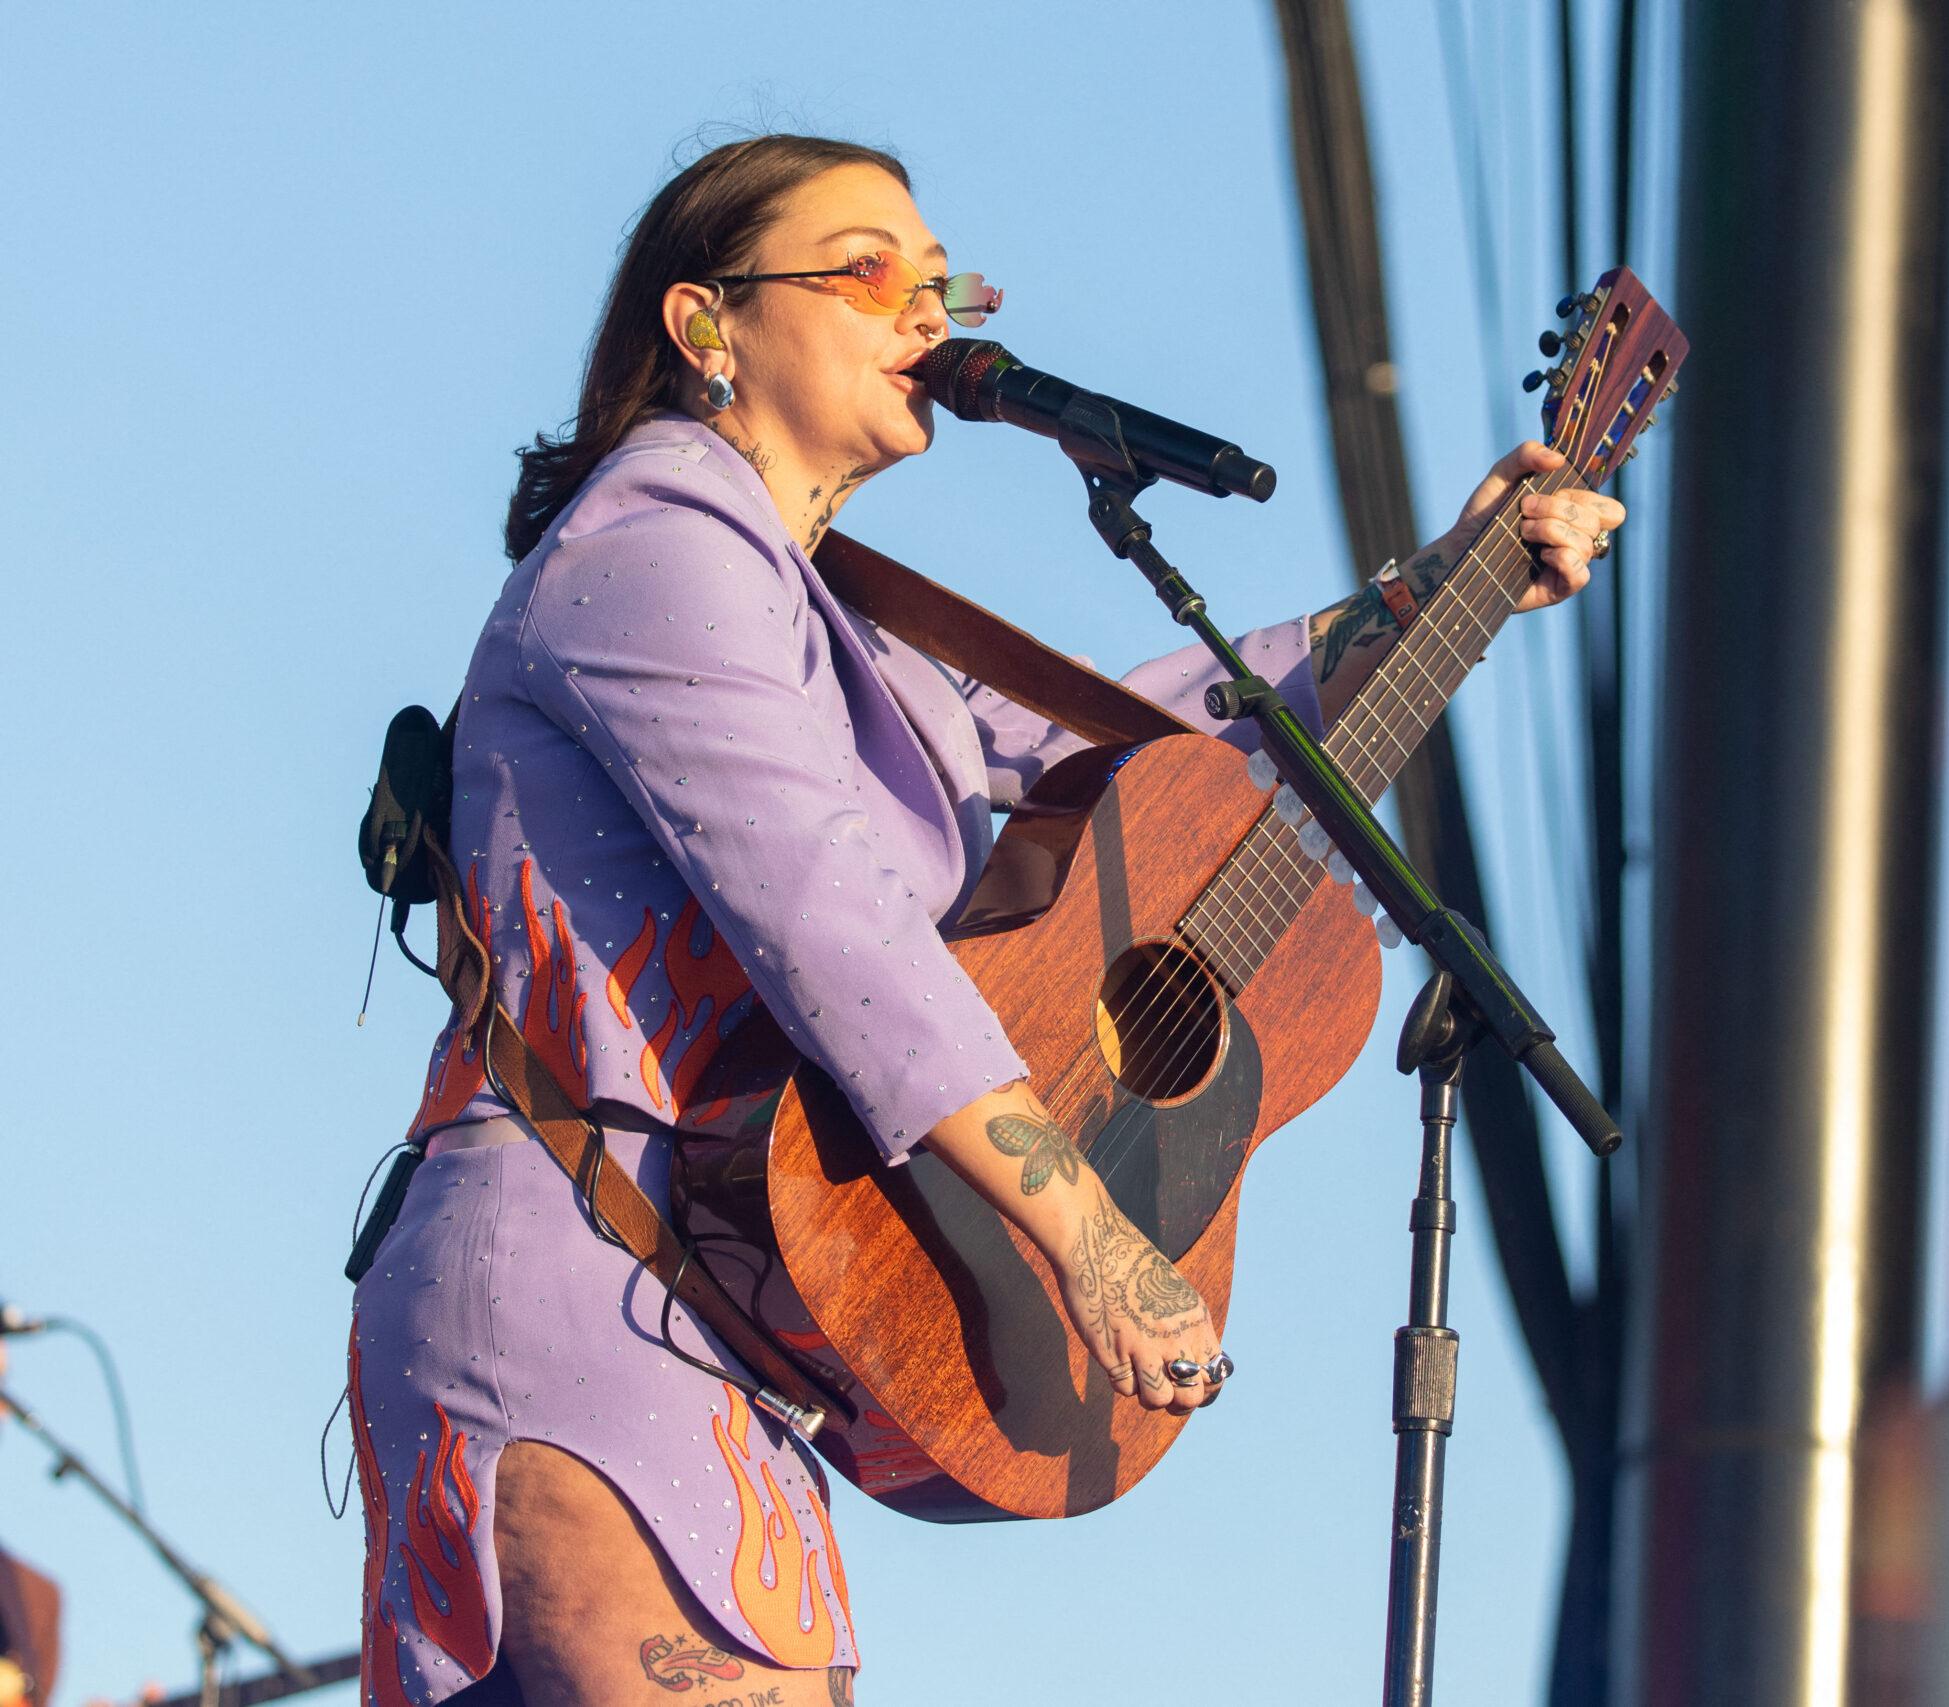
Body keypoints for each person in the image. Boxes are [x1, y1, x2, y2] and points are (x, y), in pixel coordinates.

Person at [350, 133, 1626, 1707]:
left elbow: (1145, 786)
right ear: (708, 326)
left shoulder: (860, 644)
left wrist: (1444, 587)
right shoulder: (652, 543)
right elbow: (831, 923)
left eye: (940, 279)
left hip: (728, 1333)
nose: (929, 310)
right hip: (574, 1275)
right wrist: (1090, 1239)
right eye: (869, 268)